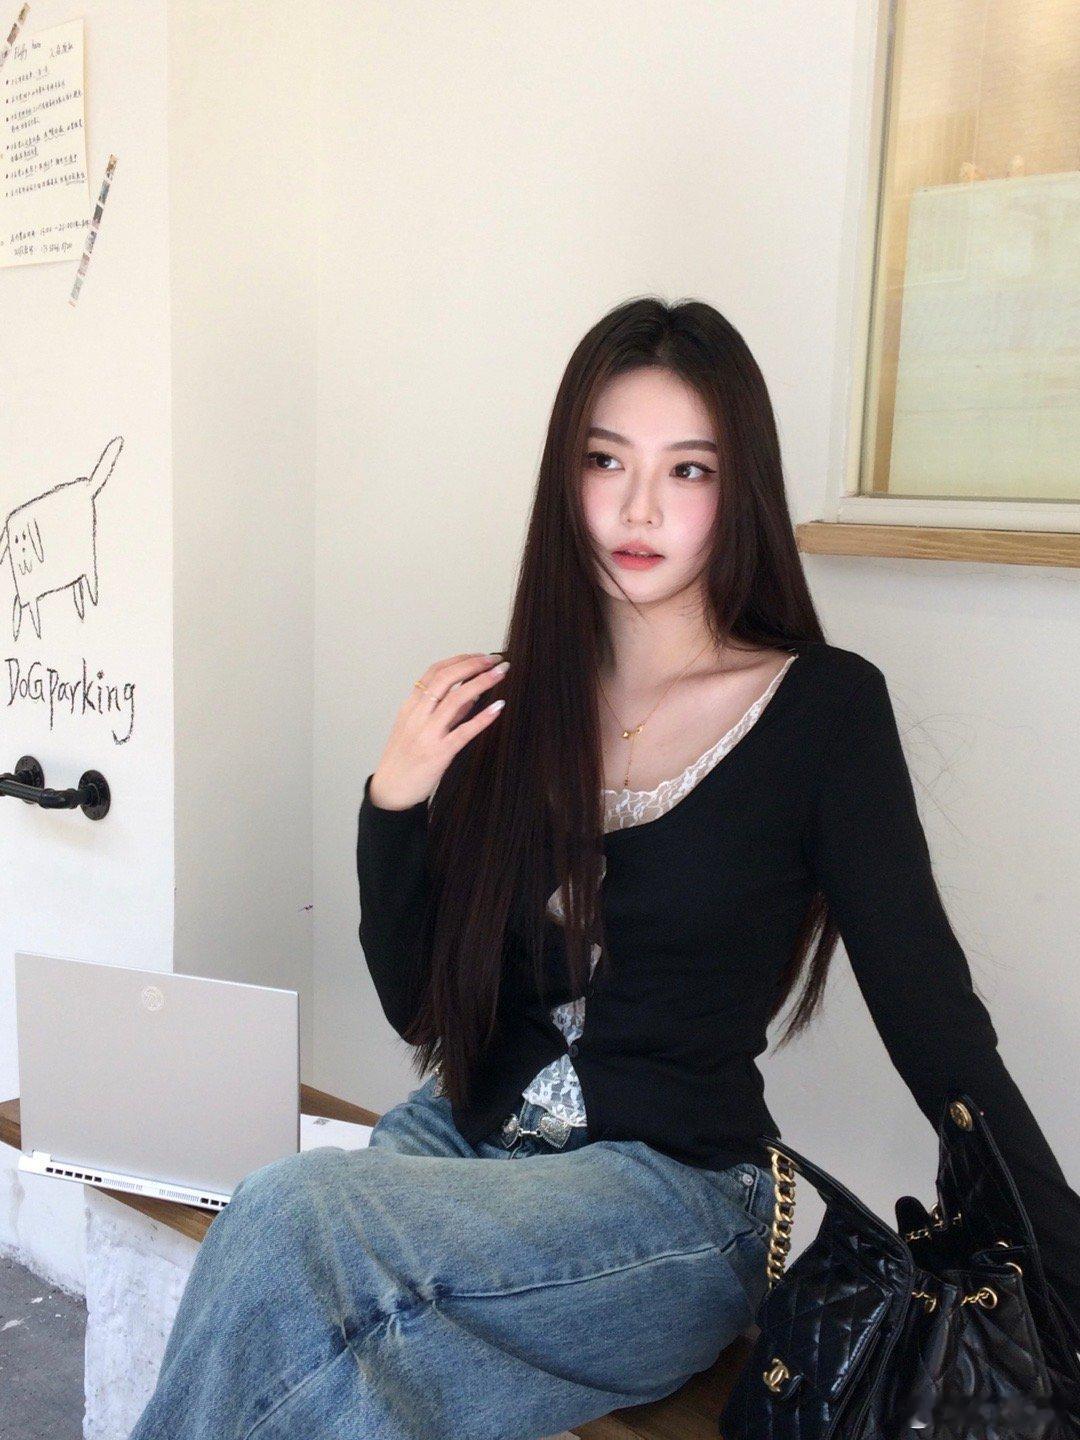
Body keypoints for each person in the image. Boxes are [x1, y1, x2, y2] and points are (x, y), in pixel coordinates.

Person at [128, 298, 1080, 1440]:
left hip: (671, 1202)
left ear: (739, 490)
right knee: (340, 1374)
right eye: (605, 461)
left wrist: (1061, 1265)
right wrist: (396, 806)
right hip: (463, 1147)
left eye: (688, 470)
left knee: (292, 1212)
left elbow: (933, 1014)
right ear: (564, 478)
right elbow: (423, 1007)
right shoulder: (508, 703)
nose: (639, 508)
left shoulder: (823, 710)